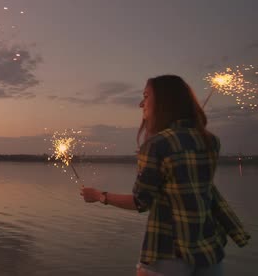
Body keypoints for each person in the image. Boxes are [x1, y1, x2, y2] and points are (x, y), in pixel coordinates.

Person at [81, 75, 250, 276]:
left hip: (167, 251)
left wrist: (100, 196)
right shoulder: (211, 141)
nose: (141, 103)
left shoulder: (157, 144)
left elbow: (140, 202)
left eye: (146, 96)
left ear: (165, 101)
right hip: (208, 250)